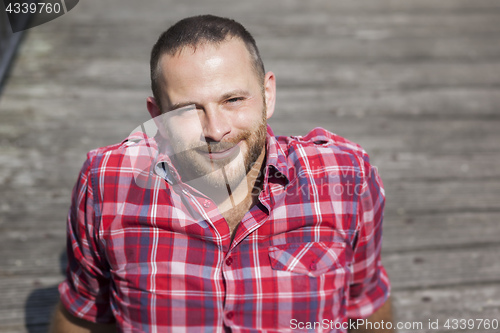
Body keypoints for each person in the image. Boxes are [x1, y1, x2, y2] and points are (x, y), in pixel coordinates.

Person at [50, 15, 393, 333]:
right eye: (187, 109)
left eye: (232, 100)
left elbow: (365, 305)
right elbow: (81, 314)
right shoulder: (107, 183)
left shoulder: (345, 177)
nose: (215, 130)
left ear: (267, 94)